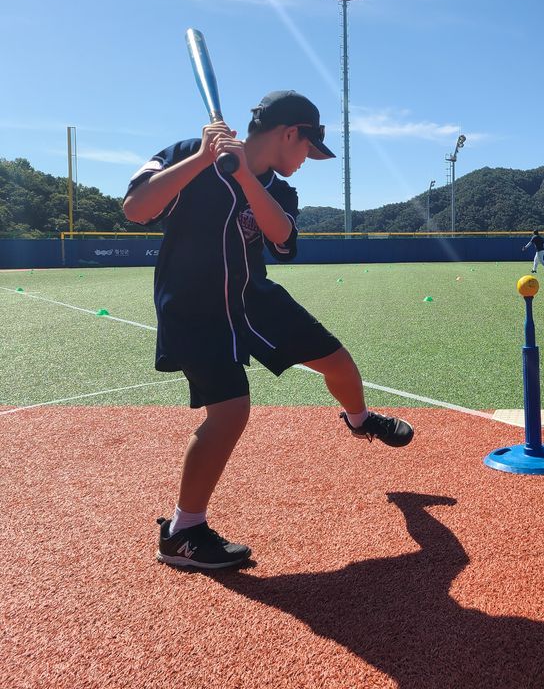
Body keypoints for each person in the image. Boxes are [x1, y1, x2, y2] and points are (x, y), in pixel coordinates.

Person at [123, 90, 414, 571]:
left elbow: (281, 238)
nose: (305, 161)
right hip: (195, 306)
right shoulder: (184, 154)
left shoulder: (280, 189)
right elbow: (136, 209)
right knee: (230, 411)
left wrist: (243, 174)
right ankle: (183, 531)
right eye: (306, 149)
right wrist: (202, 157)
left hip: (253, 297)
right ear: (290, 133)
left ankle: (360, 420)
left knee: (338, 362)